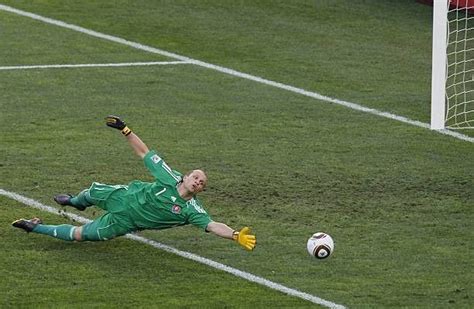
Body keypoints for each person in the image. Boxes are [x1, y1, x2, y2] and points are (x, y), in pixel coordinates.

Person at [12, 115, 256, 251]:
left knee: (81, 235)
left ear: (201, 190)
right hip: (124, 196)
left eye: (202, 183)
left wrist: (235, 235)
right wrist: (125, 130)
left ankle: (35, 226)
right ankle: (76, 202)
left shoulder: (192, 211)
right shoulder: (168, 175)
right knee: (90, 192)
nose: (198, 182)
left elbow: (213, 225)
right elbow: (144, 152)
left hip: (125, 221)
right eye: (196, 177)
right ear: (186, 176)